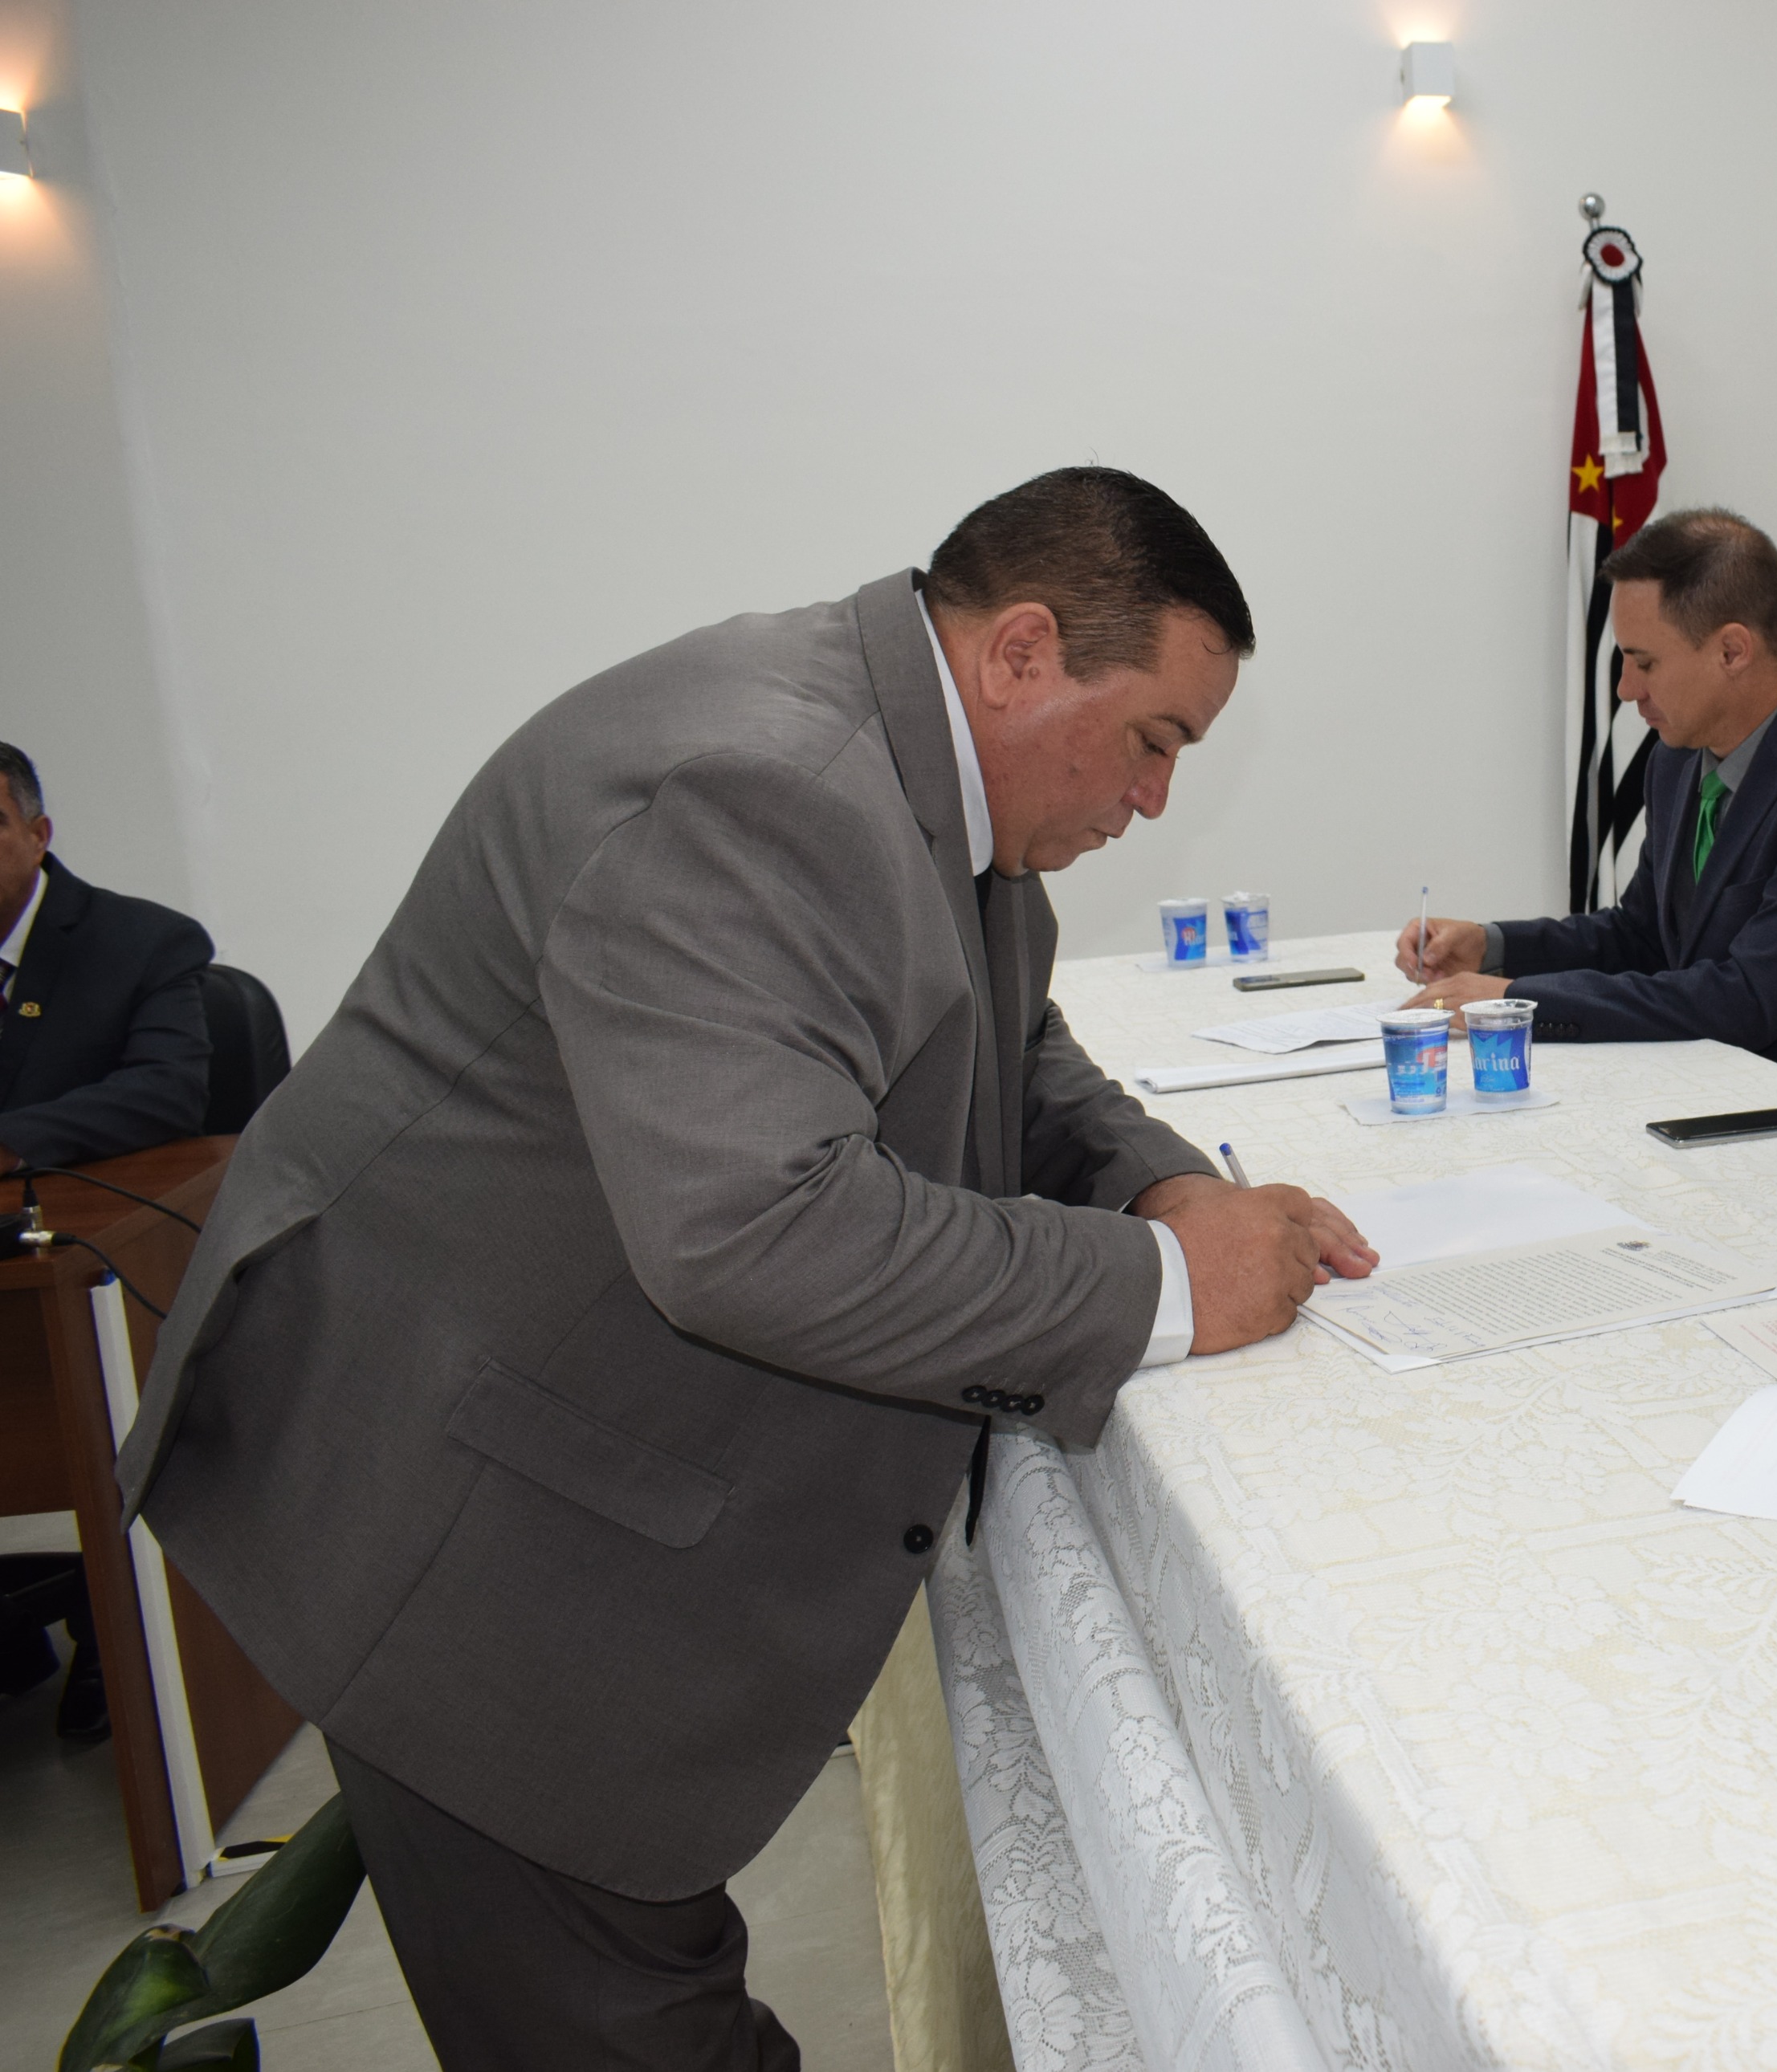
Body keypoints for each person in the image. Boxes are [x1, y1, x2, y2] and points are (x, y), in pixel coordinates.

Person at [115, 468, 1378, 2070]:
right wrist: (1167, 1286)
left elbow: (1004, 1051)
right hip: (469, 1538)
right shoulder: (758, 788)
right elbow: (756, 1229)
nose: (1154, 798)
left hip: (538, 1457)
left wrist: (1166, 1187)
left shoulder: (923, 778)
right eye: (1154, 739)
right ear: (1021, 652)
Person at [1400, 509, 1777, 1122]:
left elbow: (1745, 998)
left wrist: (1513, 1000)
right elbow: (1642, 936)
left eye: (1644, 662)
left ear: (1731, 650)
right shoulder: (1677, 759)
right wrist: (1494, 945)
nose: (1625, 689)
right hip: (1722, 1098)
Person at [0, 743, 215, 1175]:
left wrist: (10, 1142)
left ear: (38, 836)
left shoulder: (148, 942)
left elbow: (168, 1091)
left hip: (87, 1203)